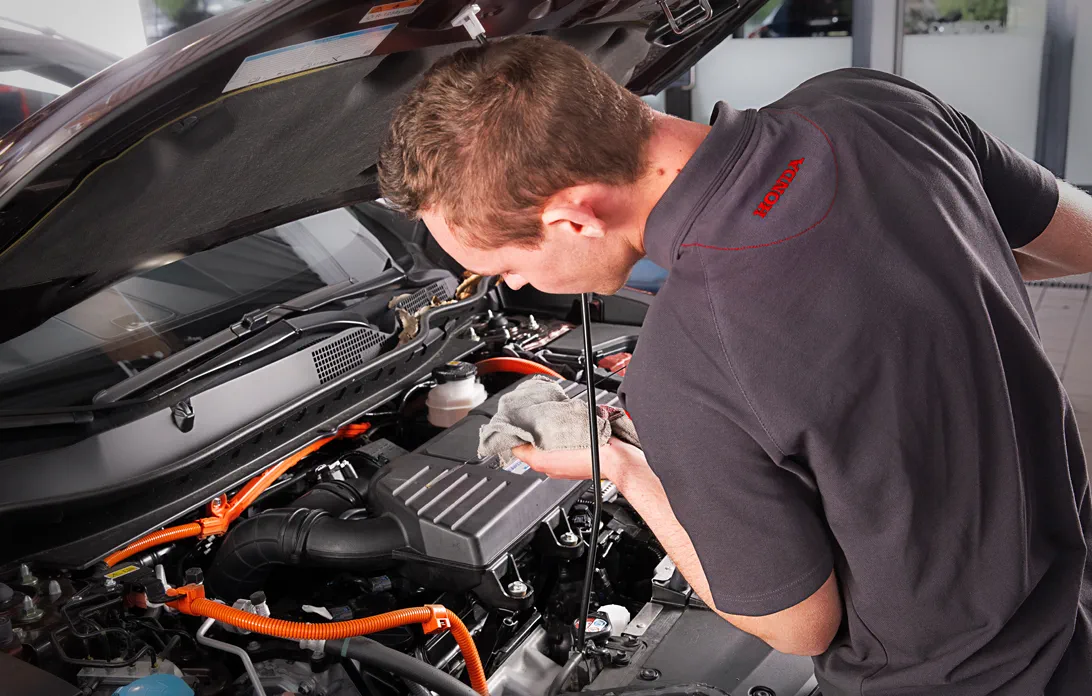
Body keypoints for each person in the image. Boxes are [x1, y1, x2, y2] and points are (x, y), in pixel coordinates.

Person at [378, 35, 1092, 695]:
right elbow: (1079, 240)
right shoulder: (874, 104)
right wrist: (939, 258)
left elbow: (798, 628)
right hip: (1072, 610)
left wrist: (623, 468)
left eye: (505, 267)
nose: (516, 286)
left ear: (575, 217)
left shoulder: (687, 367)